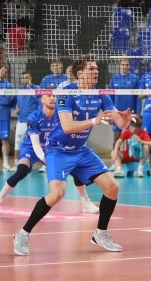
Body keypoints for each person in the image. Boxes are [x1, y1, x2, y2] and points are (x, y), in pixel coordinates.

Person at [12, 58, 132, 256]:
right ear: (80, 73)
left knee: (112, 187)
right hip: (58, 150)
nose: (96, 72)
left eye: (96, 68)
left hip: (81, 150)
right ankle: (23, 233)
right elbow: (67, 126)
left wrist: (125, 121)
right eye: (91, 68)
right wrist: (94, 121)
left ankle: (100, 233)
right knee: (57, 194)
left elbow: (119, 122)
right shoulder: (66, 93)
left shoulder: (101, 94)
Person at [0, 93, 98, 216]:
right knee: (21, 171)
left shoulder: (62, 115)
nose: (52, 98)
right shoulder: (34, 117)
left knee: (75, 169)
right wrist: (45, 159)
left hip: (54, 148)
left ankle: (85, 202)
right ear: (42, 99)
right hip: (31, 148)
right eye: (49, 95)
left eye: (54, 96)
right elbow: (35, 144)